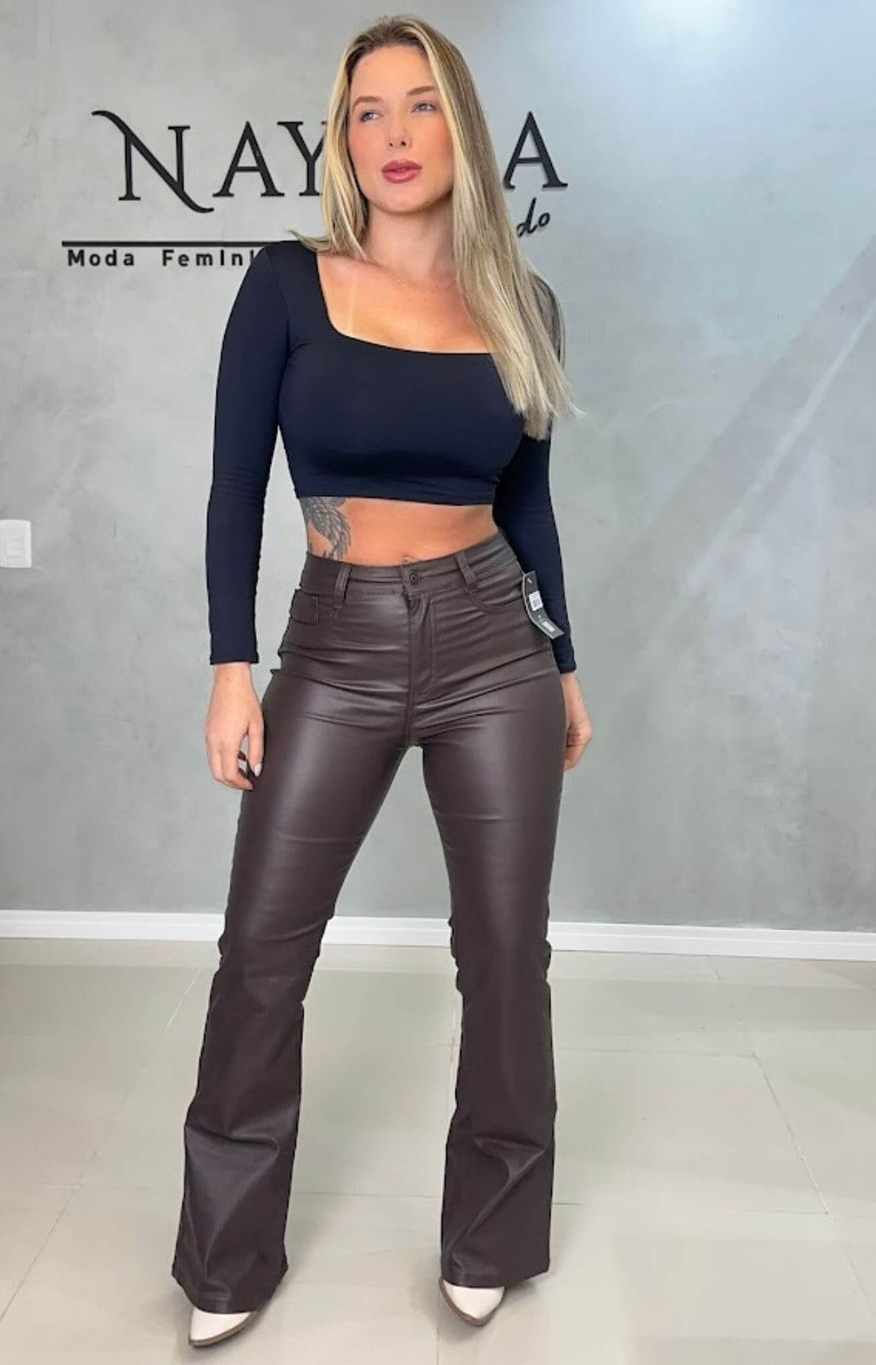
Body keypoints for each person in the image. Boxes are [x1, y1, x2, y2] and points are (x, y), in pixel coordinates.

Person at [171, 14, 593, 1348]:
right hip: (336, 638)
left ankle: (493, 1233)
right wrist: (232, 669)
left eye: (419, 107)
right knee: (261, 952)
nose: (394, 135)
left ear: (459, 131)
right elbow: (234, 487)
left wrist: (564, 663)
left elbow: (531, 505)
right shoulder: (288, 283)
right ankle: (228, 1259)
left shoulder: (523, 307)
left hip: (492, 641)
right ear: (343, 137)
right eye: (368, 111)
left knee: (506, 954)